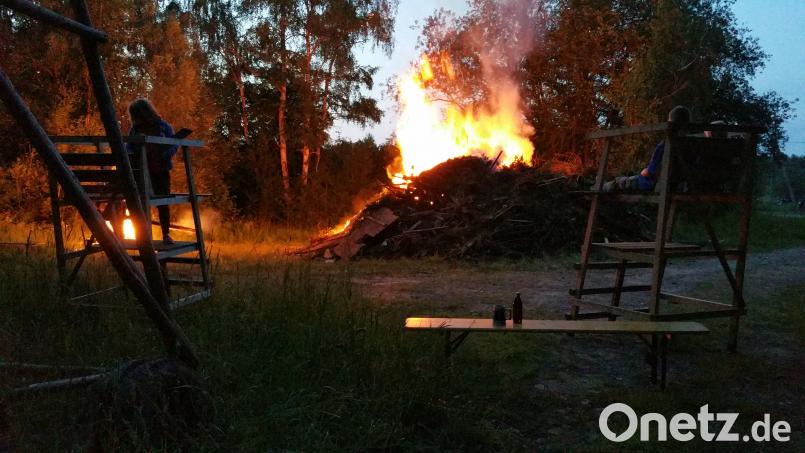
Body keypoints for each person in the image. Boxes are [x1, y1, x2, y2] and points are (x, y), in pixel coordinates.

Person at [602, 105, 691, 192]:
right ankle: (604, 183)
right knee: (631, 176)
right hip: (683, 185)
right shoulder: (691, 145)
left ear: (670, 122)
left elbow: (650, 172)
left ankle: (602, 186)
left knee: (622, 182)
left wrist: (644, 172)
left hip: (656, 184)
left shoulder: (665, 145)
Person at [127, 98, 178, 244]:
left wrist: (165, 155)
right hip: (141, 171)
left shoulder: (163, 127)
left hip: (160, 170)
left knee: (163, 201)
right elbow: (129, 147)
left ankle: (165, 234)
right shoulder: (135, 130)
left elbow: (174, 144)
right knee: (141, 203)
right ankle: (142, 234)